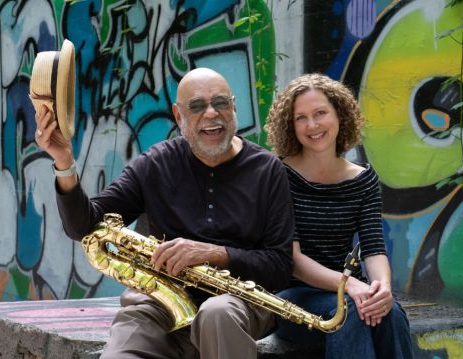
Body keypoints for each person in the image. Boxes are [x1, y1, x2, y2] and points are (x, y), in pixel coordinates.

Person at [34, 67, 295, 359]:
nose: (211, 113)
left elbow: (280, 266)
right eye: (196, 106)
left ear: (234, 106)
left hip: (238, 302)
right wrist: (64, 163)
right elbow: (84, 225)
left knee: (217, 313)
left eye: (220, 102)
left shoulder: (269, 170)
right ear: (178, 115)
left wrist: (214, 253)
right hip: (159, 298)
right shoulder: (155, 164)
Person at [264, 73, 413, 358]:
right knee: (352, 311)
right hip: (292, 298)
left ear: (340, 115)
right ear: (290, 126)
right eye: (301, 118)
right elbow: (293, 261)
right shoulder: (278, 175)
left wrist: (382, 289)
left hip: (349, 293)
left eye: (320, 113)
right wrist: (352, 286)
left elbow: (373, 247)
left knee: (390, 312)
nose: (312, 125)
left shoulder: (364, 179)